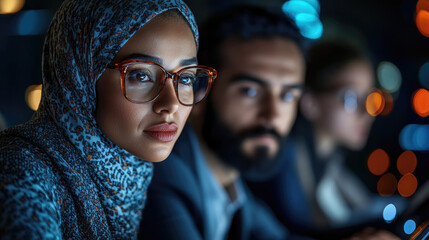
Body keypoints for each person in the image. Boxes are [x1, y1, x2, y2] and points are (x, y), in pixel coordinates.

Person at [0, 0, 217, 238]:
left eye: (185, 78)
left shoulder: (134, 174)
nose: (171, 104)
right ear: (81, 74)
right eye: (141, 75)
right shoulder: (20, 173)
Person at [140, 5, 307, 240]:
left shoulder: (233, 187)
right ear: (199, 91)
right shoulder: (159, 178)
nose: (272, 116)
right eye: (249, 91)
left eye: (287, 96)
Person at [247, 41, 404, 239]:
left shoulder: (330, 163)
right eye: (350, 98)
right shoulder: (283, 160)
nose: (367, 113)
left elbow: (363, 208)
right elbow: (296, 230)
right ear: (310, 103)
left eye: (369, 98)